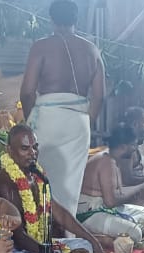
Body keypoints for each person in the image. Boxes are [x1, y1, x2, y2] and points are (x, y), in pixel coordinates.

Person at [0, 124, 108, 253]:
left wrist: (93, 241)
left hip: (39, 244)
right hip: (11, 252)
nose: (33, 153)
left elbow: (60, 213)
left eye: (35, 147)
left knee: (85, 249)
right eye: (25, 148)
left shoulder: (36, 175)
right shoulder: (4, 185)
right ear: (10, 150)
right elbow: (19, 238)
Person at [21, 0, 104, 219]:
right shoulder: (92, 50)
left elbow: (27, 92)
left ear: (51, 19)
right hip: (78, 123)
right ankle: (67, 233)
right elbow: (99, 96)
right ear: (76, 19)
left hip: (47, 120)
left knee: (41, 183)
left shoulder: (41, 47)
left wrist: (30, 122)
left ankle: (42, 231)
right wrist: (87, 121)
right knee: (69, 190)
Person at [77, 126, 144, 242]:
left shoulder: (113, 159)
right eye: (133, 145)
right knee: (135, 233)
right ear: (123, 147)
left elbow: (119, 192)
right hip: (89, 214)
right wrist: (141, 189)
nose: (135, 149)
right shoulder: (105, 161)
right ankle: (99, 237)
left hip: (103, 209)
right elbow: (110, 202)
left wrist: (143, 187)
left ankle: (115, 232)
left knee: (143, 212)